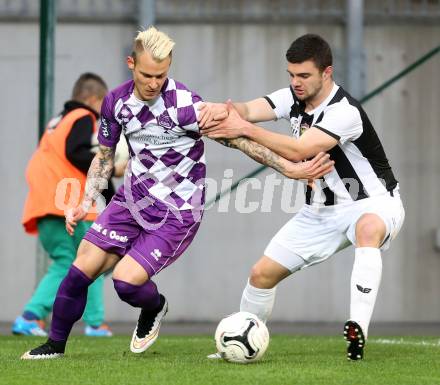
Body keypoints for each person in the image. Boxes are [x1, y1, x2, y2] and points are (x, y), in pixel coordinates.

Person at [21, 26, 333, 360]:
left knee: (125, 283)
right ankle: (54, 347)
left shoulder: (186, 106)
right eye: (147, 74)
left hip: (176, 211)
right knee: (81, 268)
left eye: (161, 74)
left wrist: (290, 168)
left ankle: (154, 307)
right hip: (131, 202)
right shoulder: (116, 101)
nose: (154, 82)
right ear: (131, 64)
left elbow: (239, 140)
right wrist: (85, 203)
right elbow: (105, 157)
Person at [200, 34, 405, 361]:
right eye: (291, 75)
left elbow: (301, 149)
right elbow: (247, 109)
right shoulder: (291, 98)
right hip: (320, 213)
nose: (296, 82)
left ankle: (358, 330)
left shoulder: (344, 112)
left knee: (367, 230)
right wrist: (222, 111)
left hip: (373, 203)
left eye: (304, 76)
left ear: (327, 73)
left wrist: (244, 129)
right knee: (261, 274)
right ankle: (241, 341)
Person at [15, 73, 122, 338]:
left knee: (75, 260)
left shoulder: (57, 121)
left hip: (45, 202)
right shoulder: (84, 117)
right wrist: (111, 166)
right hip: (66, 204)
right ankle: (41, 316)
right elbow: (77, 153)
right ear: (94, 100)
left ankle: (43, 317)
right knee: (87, 260)